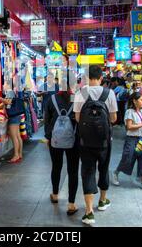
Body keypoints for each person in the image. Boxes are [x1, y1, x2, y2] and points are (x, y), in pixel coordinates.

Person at [73, 65, 118, 225]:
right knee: (104, 168)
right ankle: (103, 201)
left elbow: (77, 118)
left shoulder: (80, 92)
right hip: (104, 141)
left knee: (87, 171)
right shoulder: (109, 93)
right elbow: (113, 119)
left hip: (85, 141)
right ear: (101, 77)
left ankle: (89, 211)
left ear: (86, 77)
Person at [44, 84, 80, 215]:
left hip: (55, 140)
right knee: (73, 170)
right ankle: (71, 203)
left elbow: (47, 120)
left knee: (56, 166)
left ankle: (55, 194)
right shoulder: (78, 99)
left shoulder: (51, 99)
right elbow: (81, 121)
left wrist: (48, 137)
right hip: (74, 141)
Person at [111, 92, 142, 192]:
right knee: (127, 158)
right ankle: (116, 173)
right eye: (141, 100)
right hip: (132, 139)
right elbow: (129, 127)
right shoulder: (129, 112)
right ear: (134, 101)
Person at [0, 88, 24, 163]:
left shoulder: (10, 91)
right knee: (17, 136)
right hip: (17, 116)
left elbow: (8, 102)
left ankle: (16, 155)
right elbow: (2, 105)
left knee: (14, 137)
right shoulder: (10, 92)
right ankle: (19, 154)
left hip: (14, 117)